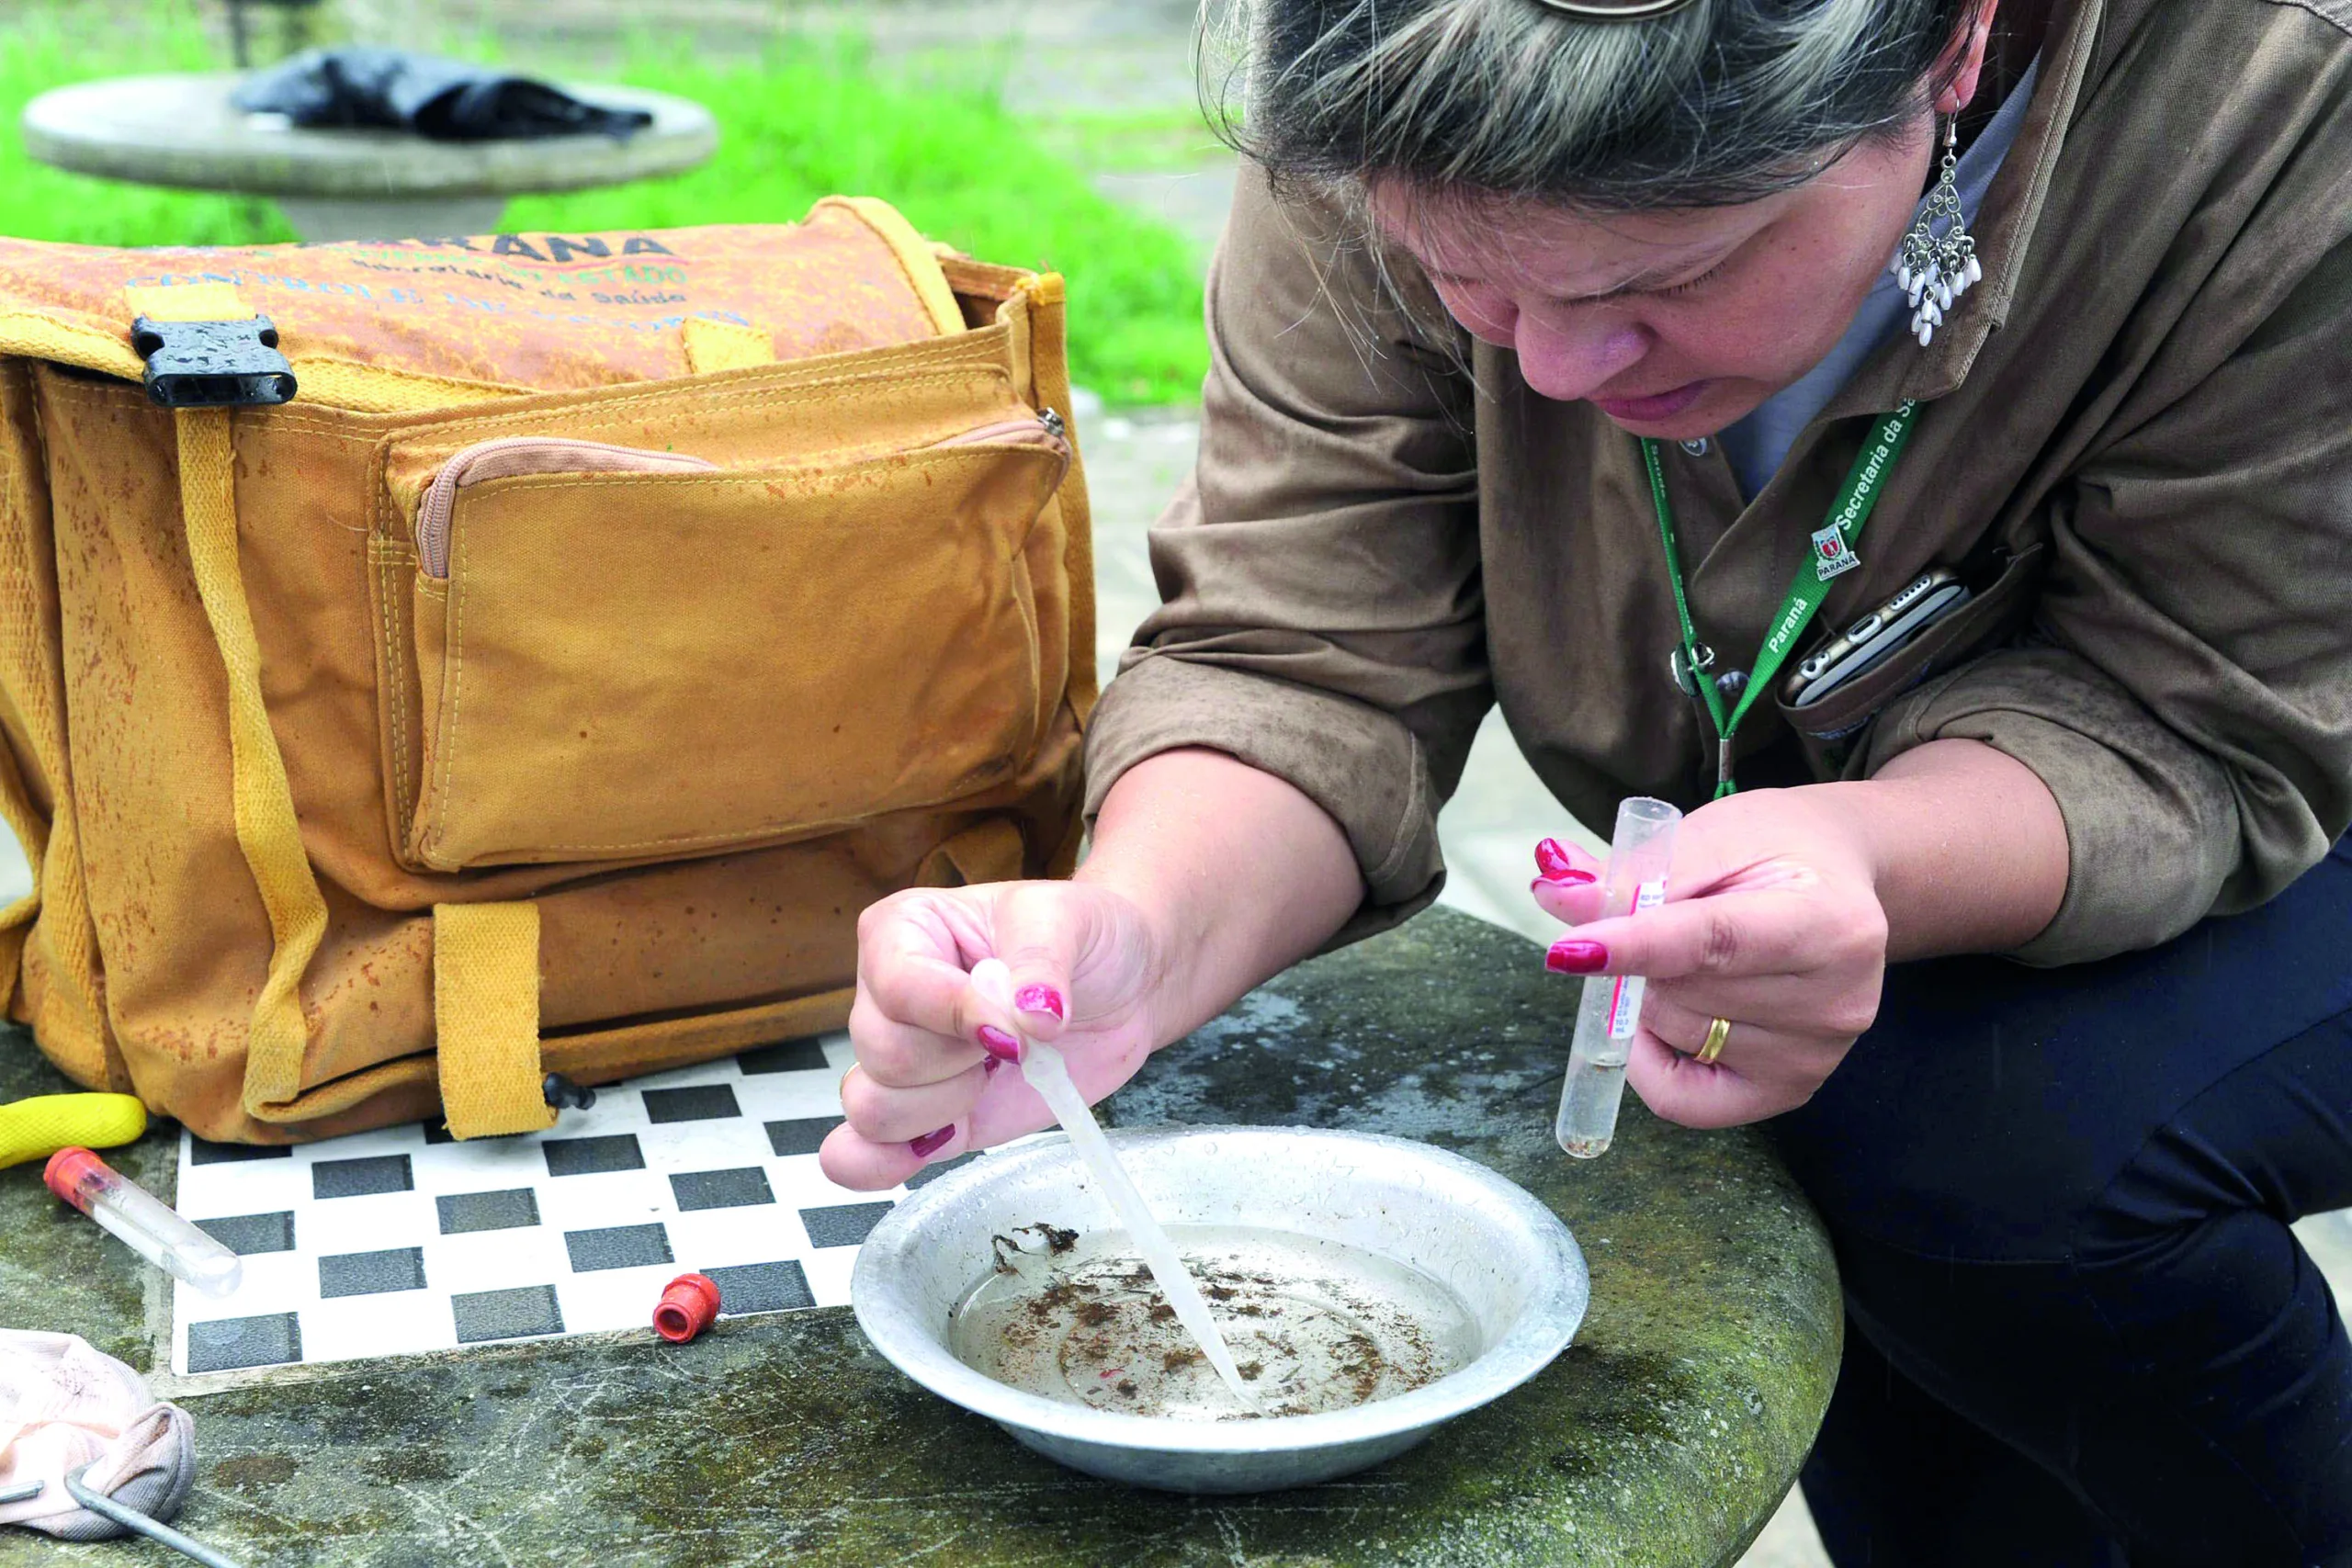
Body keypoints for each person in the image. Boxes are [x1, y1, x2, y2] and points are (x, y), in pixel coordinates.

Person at [821, 0, 2352, 1559]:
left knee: (1991, 1149)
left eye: (1667, 275)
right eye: (1463, 271)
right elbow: (1306, 638)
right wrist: (1138, 932)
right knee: (1839, 1152)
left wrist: (1873, 851)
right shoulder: (1391, 69)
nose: (1549, 365)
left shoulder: (2285, 103)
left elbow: (2195, 703)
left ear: (1956, 46)